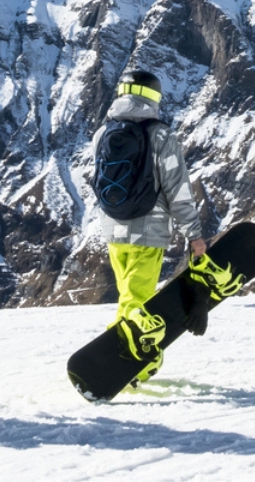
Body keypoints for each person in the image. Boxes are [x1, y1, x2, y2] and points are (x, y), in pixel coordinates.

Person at [91, 69, 208, 384]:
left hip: (113, 230)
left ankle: (132, 363)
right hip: (149, 231)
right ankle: (125, 363)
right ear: (154, 97)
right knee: (137, 300)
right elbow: (178, 191)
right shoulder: (161, 136)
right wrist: (194, 235)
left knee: (129, 296)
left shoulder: (103, 134)